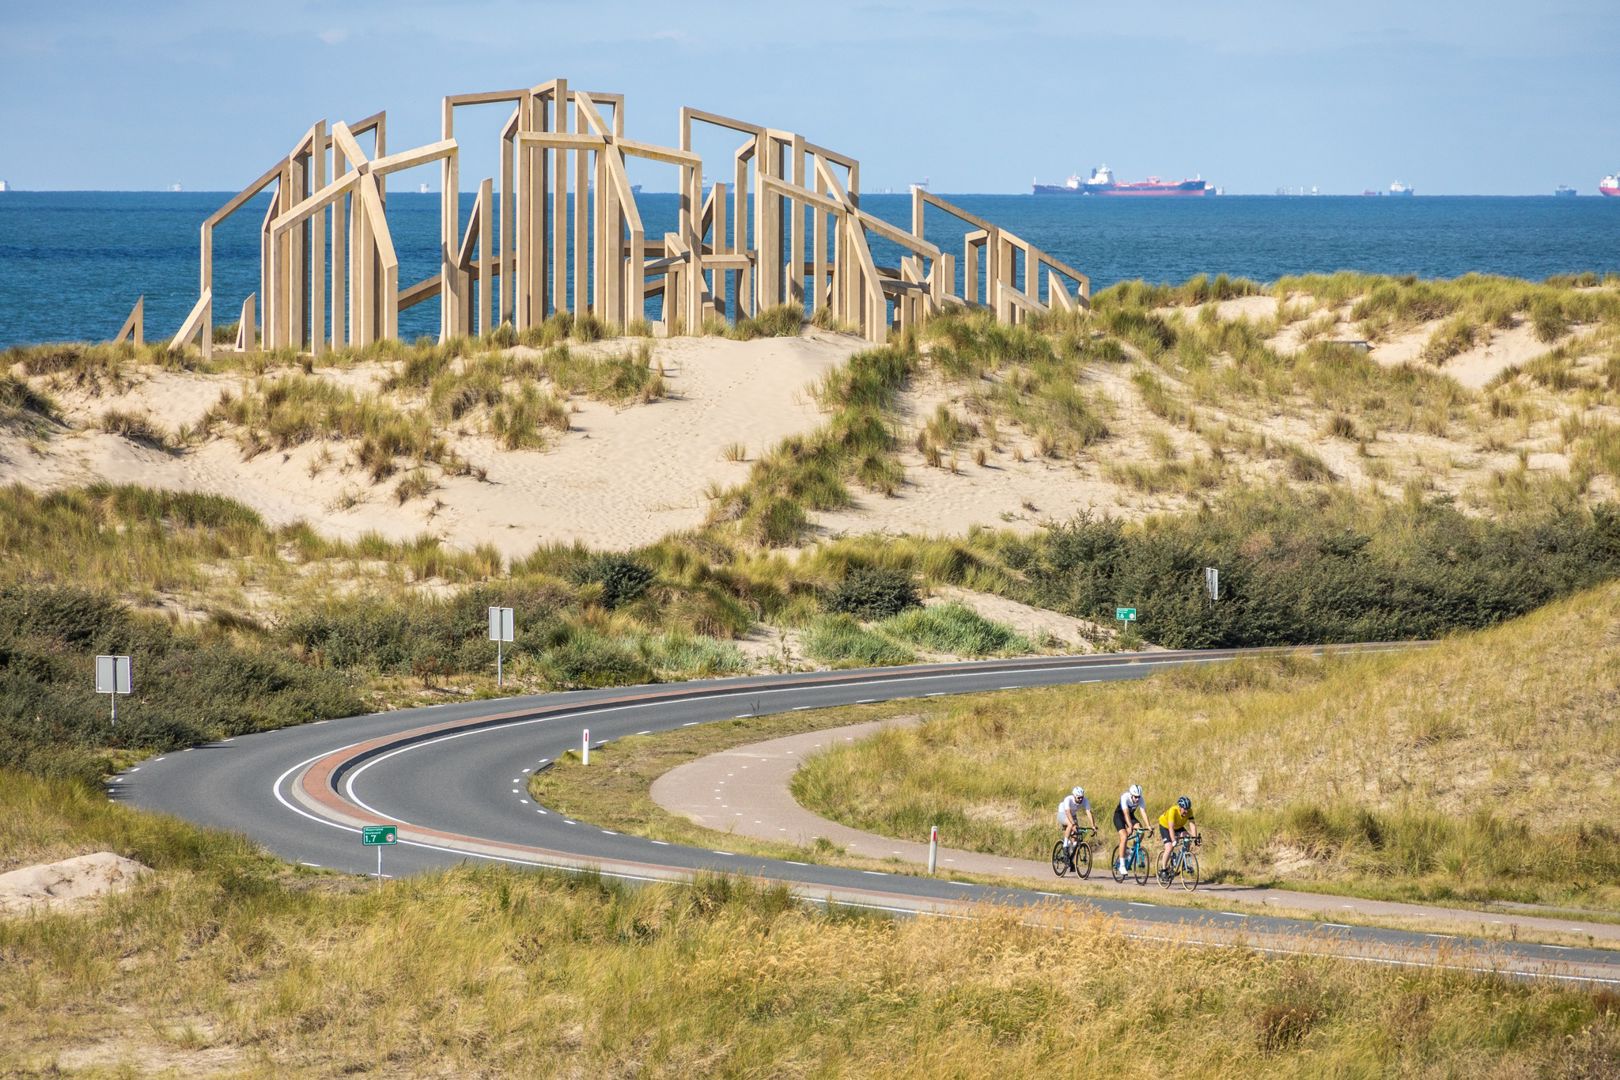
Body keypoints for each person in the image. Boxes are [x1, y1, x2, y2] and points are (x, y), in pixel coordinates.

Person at [1157, 795, 1200, 879]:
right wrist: (1173, 840)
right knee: (1169, 847)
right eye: (1184, 809)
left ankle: (1183, 862)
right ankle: (1163, 869)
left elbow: (1192, 825)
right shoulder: (1173, 811)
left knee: (1187, 838)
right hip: (1165, 826)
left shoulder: (1189, 811)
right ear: (1180, 807)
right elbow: (1171, 828)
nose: (1186, 811)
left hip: (1178, 826)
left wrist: (1195, 838)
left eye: (1187, 809)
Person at [1114, 783, 1150, 874]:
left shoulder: (1141, 799)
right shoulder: (1125, 797)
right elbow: (1126, 813)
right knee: (1124, 837)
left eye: (1139, 797)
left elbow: (1143, 812)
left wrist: (1148, 826)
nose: (1137, 799)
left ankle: (1132, 851)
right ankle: (1122, 865)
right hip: (1119, 817)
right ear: (1131, 795)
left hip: (1130, 816)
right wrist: (1130, 827)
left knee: (1141, 831)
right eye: (1135, 797)